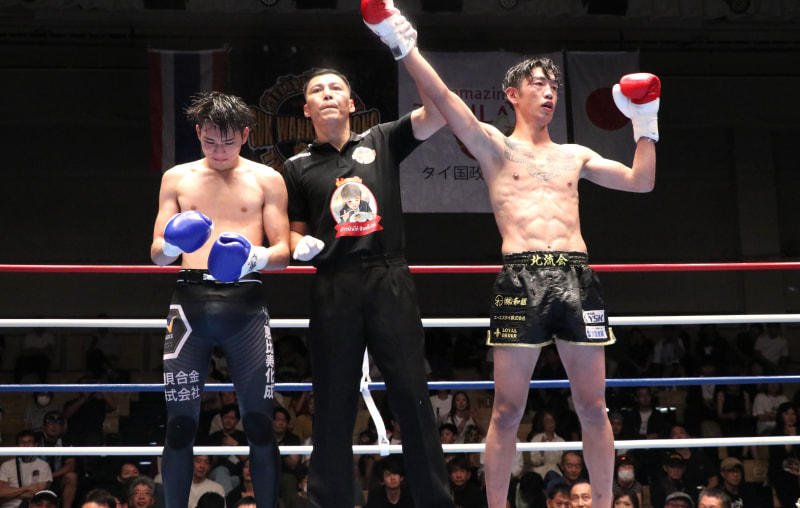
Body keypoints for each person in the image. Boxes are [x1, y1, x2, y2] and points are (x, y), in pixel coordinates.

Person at [362, 5, 658, 508]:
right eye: (538, 84)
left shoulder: (575, 156)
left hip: (577, 278)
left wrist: (645, 120)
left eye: (554, 86)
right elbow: (444, 99)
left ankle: (604, 504)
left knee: (593, 407)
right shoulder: (495, 147)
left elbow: (641, 180)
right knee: (505, 411)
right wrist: (402, 43)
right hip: (521, 278)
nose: (549, 92)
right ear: (513, 94)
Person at [281, 56, 453, 507]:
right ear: (306, 109)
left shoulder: (382, 139)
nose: (327, 94)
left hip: (387, 276)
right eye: (317, 90)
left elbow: (438, 110)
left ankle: (435, 502)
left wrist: (405, 50)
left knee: (412, 392)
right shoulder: (296, 166)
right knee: (332, 398)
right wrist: (300, 245)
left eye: (335, 88)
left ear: (351, 102)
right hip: (332, 282)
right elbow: (295, 232)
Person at [149, 91, 290, 508]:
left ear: (245, 135)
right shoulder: (177, 178)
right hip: (189, 304)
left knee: (260, 424)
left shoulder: (268, 179)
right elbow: (157, 255)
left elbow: (282, 253)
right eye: (210, 141)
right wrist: (174, 243)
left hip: (246, 304)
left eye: (228, 141)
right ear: (198, 133)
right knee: (179, 428)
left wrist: (252, 258)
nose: (219, 150)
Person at [34, 410, 77, 508]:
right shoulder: (36, 438)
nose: (54, 426)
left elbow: (70, 465)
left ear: (62, 427)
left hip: (56, 478)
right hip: (36, 477)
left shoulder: (66, 441)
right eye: (50, 422)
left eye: (58, 423)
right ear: (44, 426)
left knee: (71, 477)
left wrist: (50, 476)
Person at [0, 430, 54, 508]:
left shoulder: (43, 465)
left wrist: (11, 492)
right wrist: (27, 488)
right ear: (17, 446)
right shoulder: (6, 465)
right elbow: (1, 492)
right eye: (22, 442)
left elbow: (38, 493)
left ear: (35, 445)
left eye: (29, 442)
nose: (26, 445)